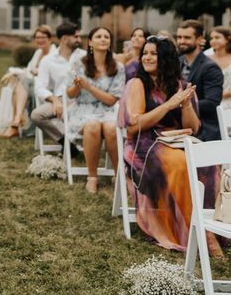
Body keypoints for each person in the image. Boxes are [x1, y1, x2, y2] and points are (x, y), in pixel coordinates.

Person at [117, 35, 221, 254]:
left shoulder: (179, 85)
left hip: (176, 140)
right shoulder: (137, 83)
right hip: (143, 145)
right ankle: (200, 235)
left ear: (165, 57)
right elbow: (134, 126)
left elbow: (193, 128)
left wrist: (185, 106)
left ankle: (210, 226)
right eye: (144, 53)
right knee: (180, 164)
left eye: (153, 53)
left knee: (208, 166)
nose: (147, 57)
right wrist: (168, 105)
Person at [65, 27, 125, 193]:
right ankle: (92, 177)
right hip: (83, 109)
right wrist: (78, 87)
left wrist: (89, 87)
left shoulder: (118, 67)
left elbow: (112, 100)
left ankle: (118, 175)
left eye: (106, 36)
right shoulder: (79, 64)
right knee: (92, 126)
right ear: (90, 42)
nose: (103, 39)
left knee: (112, 128)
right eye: (98, 36)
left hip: (108, 110)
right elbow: (69, 94)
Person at [31, 21, 85, 148]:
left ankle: (76, 141)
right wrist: (54, 100)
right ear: (65, 39)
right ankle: (67, 143)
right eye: (76, 37)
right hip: (60, 100)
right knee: (37, 115)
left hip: (82, 99)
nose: (79, 39)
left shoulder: (85, 56)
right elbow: (40, 87)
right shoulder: (48, 60)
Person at [0, 25, 56, 138]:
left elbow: (53, 74)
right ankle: (17, 120)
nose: (40, 40)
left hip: (47, 89)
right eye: (37, 37)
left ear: (49, 39)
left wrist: (38, 71)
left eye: (43, 37)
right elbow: (28, 71)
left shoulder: (54, 54)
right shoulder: (38, 53)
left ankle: (16, 121)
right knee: (19, 81)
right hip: (33, 85)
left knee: (21, 82)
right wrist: (13, 73)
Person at [177, 19, 223, 141]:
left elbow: (212, 103)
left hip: (204, 129)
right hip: (178, 126)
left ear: (199, 39)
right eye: (179, 37)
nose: (182, 41)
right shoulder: (178, 62)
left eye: (187, 38)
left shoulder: (210, 68)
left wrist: (180, 105)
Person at [208, 25, 231, 110]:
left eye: (217, 37)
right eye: (211, 38)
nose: (213, 41)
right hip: (210, 103)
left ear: (228, 39)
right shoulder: (205, 59)